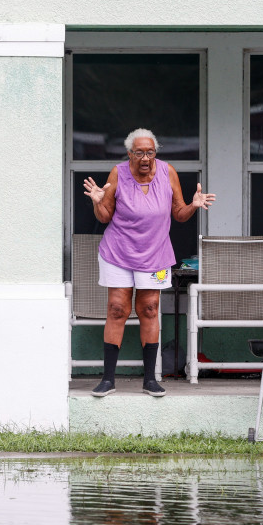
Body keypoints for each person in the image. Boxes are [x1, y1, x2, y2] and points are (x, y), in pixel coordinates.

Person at [83, 128, 215, 397]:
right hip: (118, 252)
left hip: (155, 253)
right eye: (139, 152)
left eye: (150, 152)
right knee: (118, 308)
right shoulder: (118, 173)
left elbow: (178, 213)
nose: (145, 158)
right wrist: (98, 202)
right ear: (129, 154)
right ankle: (108, 380)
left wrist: (193, 205)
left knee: (150, 309)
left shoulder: (168, 173)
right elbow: (105, 215)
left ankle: (149, 380)